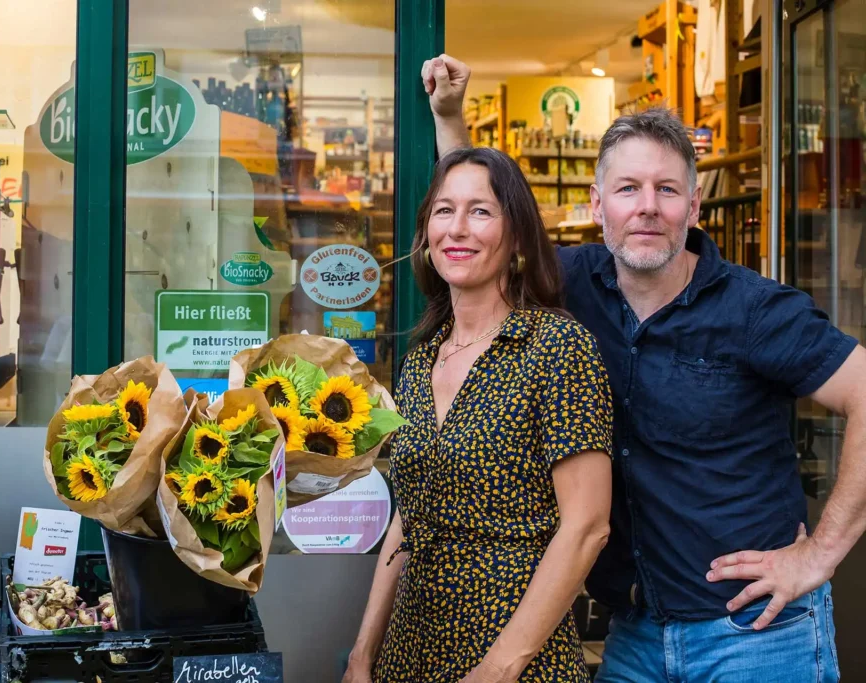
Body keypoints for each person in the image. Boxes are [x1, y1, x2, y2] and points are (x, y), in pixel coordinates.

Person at [421, 54, 866, 682]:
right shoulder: (570, 283)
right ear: (599, 204)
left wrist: (819, 556)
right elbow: (483, 222)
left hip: (755, 636)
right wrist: (449, 119)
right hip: (632, 636)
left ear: (696, 204)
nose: (647, 207)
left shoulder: (755, 310)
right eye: (628, 189)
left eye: (667, 189)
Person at [343, 147, 615, 682]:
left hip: (516, 658)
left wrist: (498, 667)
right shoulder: (421, 361)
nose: (458, 228)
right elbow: (409, 519)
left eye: (481, 211)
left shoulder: (557, 347)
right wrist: (362, 654)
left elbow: (587, 527)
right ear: (425, 235)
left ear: (515, 236)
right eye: (444, 211)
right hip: (409, 655)